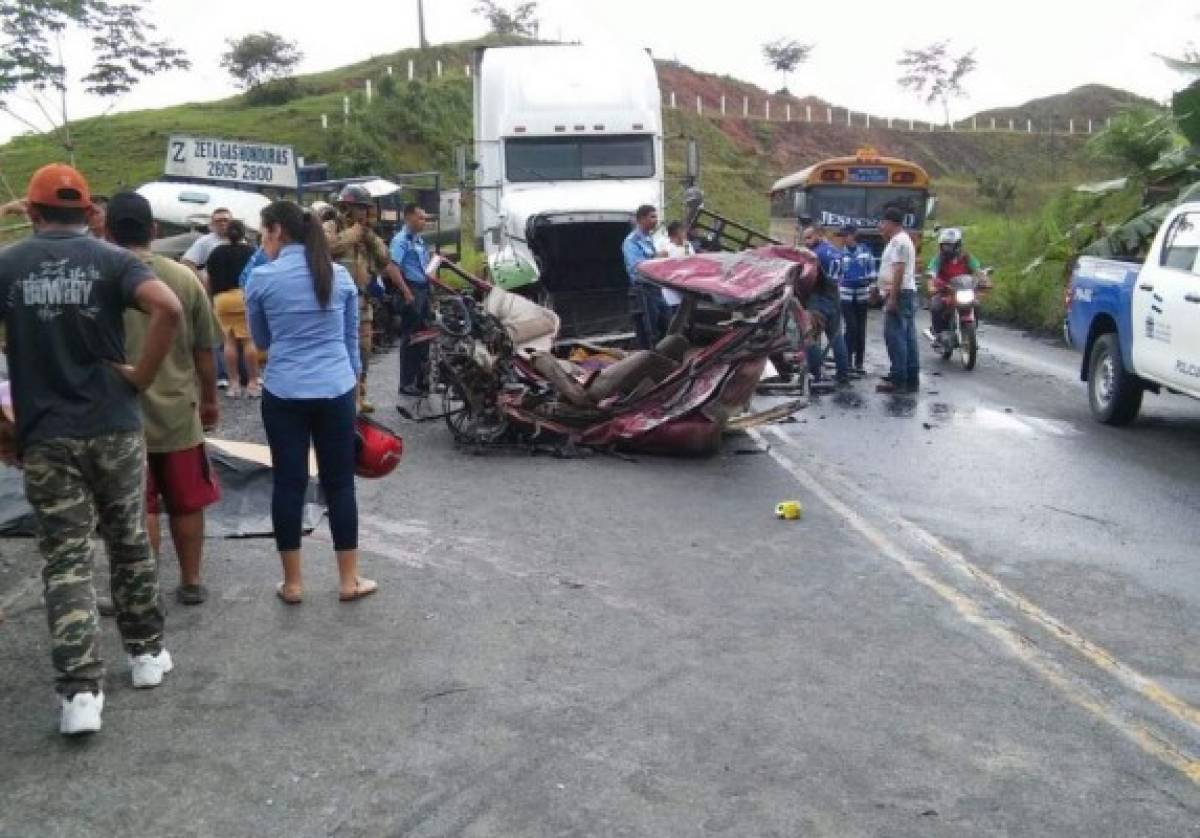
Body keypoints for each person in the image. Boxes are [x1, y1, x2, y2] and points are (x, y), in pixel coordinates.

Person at [0, 164, 182, 735]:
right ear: (87, 213)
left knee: (66, 558)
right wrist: (140, 377)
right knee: (128, 540)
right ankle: (147, 656)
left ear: (32, 212)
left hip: (48, 435)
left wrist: (1, 428)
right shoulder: (113, 260)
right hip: (115, 425)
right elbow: (168, 309)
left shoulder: (7, 266)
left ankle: (80, 695)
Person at [245, 200, 375, 604]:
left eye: (263, 232)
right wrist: (353, 388)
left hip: (283, 392)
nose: (262, 240)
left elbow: (263, 342)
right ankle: (349, 581)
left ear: (277, 231)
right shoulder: (338, 277)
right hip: (335, 388)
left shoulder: (261, 279)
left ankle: (294, 584)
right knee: (340, 485)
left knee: (288, 483)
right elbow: (351, 340)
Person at [110, 191, 222, 607]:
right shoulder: (182, 278)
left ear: (107, 230)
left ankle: (144, 588)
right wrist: (210, 400)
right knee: (186, 500)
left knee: (142, 503)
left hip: (119, 414)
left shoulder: (102, 278)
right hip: (178, 409)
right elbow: (205, 350)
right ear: (154, 231)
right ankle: (191, 581)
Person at [328, 185, 407, 413]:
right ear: (346, 207)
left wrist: (369, 237)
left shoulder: (367, 232)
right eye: (358, 207)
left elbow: (384, 259)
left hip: (362, 299)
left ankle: (360, 393)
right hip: (335, 300)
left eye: (365, 208)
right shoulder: (330, 227)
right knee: (339, 347)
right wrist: (353, 234)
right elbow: (327, 247)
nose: (363, 213)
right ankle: (340, 395)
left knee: (363, 348)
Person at [182, 208, 236, 388]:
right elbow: (187, 262)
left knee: (240, 336)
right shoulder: (205, 242)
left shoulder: (240, 241)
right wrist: (201, 281)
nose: (223, 223)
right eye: (219, 220)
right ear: (212, 224)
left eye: (226, 220)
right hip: (214, 293)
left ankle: (239, 372)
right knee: (218, 335)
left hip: (237, 294)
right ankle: (221, 374)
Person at [206, 220, 261, 398]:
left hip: (222, 299)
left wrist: (210, 299)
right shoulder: (252, 251)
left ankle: (234, 384)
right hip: (243, 297)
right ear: (244, 233)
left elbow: (209, 279)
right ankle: (253, 383)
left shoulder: (216, 252)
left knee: (228, 342)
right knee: (248, 341)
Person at [876, 207, 920, 394]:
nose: (880, 226)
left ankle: (898, 378)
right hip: (905, 293)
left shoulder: (899, 242)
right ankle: (910, 376)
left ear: (891, 223)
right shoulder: (900, 240)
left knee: (896, 337)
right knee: (908, 336)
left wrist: (892, 297)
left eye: (883, 223)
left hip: (900, 294)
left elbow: (899, 270)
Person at [802, 226, 851, 385]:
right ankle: (843, 374)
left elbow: (808, 278)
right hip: (835, 297)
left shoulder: (815, 255)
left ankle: (815, 374)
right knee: (836, 337)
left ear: (818, 235)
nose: (806, 242)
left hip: (818, 298)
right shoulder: (837, 252)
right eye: (804, 238)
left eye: (809, 238)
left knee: (811, 338)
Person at [388, 204, 425, 401]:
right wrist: (406, 291)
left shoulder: (418, 240)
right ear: (409, 218)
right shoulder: (400, 240)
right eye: (420, 218)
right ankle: (406, 383)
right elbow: (392, 267)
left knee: (424, 336)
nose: (424, 222)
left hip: (422, 289)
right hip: (411, 289)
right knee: (410, 337)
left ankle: (421, 379)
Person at [926, 227, 984, 343]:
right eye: (944, 245)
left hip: (964, 289)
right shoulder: (939, 259)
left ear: (957, 245)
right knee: (936, 306)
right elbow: (932, 271)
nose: (946, 249)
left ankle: (971, 330)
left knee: (976, 304)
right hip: (945, 291)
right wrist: (932, 283)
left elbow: (977, 270)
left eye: (949, 246)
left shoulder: (966, 257)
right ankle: (939, 334)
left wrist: (983, 279)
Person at [622, 204, 666, 349]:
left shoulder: (648, 238)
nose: (655, 220)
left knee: (665, 322)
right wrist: (656, 258)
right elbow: (636, 268)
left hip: (656, 288)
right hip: (643, 290)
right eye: (652, 217)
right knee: (649, 330)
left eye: (656, 217)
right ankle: (650, 359)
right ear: (641, 219)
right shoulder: (632, 241)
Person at [838, 225, 876, 374]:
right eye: (843, 236)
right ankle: (847, 359)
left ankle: (859, 362)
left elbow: (872, 274)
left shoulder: (866, 253)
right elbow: (838, 277)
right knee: (851, 327)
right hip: (846, 296)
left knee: (861, 329)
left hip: (862, 296)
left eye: (846, 235)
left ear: (854, 235)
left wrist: (868, 283)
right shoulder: (840, 255)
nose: (844, 239)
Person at [661, 220, 693, 325]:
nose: (685, 233)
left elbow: (691, 261)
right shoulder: (666, 248)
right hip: (671, 295)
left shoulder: (687, 245)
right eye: (683, 231)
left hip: (685, 293)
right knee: (674, 323)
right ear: (677, 232)